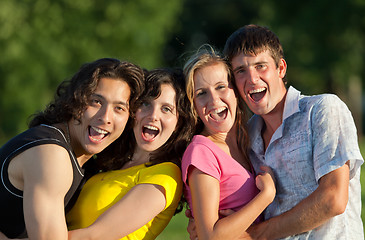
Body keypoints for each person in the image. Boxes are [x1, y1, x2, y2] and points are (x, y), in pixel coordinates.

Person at [220, 24, 363, 239]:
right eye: (241, 70)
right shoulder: (245, 137)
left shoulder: (322, 110)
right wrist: (203, 224)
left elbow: (333, 199)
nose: (252, 79)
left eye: (261, 66)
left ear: (281, 68)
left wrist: (255, 236)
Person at [0, 58, 144, 240]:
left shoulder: (81, 159)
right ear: (76, 100)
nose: (105, 117)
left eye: (119, 108)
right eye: (96, 102)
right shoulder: (52, 153)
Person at [65, 68, 195, 240]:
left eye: (166, 109)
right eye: (146, 104)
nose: (153, 116)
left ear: (178, 123)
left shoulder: (165, 176)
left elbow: (94, 236)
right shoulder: (110, 161)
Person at [181, 45, 276, 239]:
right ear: (193, 106)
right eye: (201, 93)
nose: (214, 100)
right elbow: (211, 236)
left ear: (235, 91)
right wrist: (265, 196)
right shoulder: (201, 151)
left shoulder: (246, 142)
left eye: (220, 87)